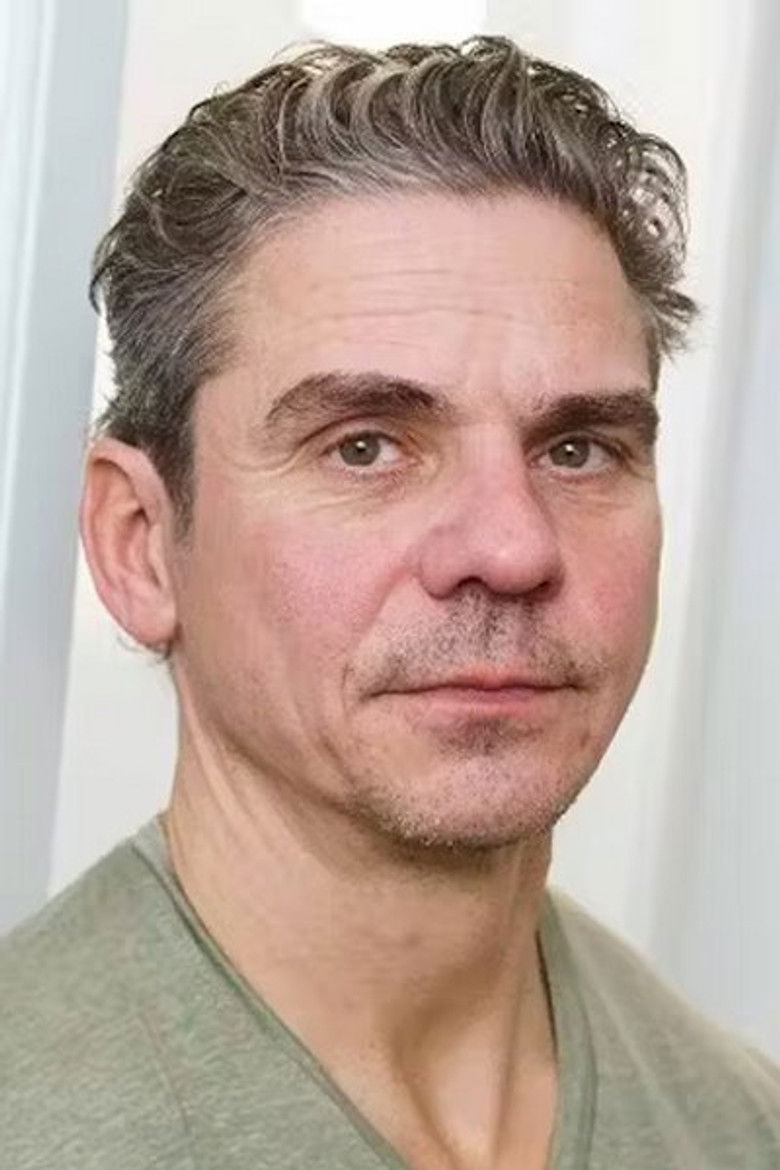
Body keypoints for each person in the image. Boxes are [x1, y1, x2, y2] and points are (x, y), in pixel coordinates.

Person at [1, 34, 778, 1170]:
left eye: (578, 449)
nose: (512, 547)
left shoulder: (742, 1126)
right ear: (141, 545)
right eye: (364, 445)